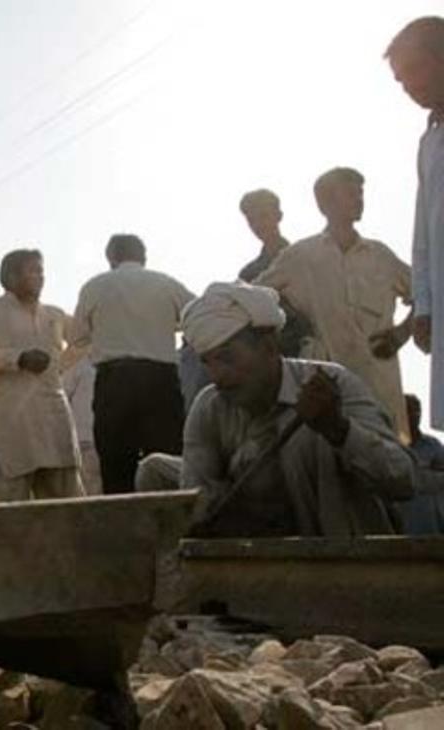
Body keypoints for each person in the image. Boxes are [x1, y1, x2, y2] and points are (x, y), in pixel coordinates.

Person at [150, 282, 413, 537]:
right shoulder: (209, 406)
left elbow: (403, 480)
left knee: (306, 440)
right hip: (254, 551)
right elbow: (197, 495)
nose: (217, 376)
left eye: (227, 358)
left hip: (334, 551)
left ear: (268, 348)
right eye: (208, 362)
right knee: (153, 471)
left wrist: (337, 429)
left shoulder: (334, 384)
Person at [255, 167, 413, 441]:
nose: (359, 200)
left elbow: (430, 294)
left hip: (381, 391)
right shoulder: (300, 257)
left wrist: (402, 332)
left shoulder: (381, 256)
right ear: (324, 203)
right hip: (328, 391)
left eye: (361, 193)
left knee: (388, 468)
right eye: (351, 193)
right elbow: (253, 295)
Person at [70, 234, 194, 493]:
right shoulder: (166, 283)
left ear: (111, 258)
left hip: (114, 383)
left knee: (116, 465)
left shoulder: (95, 286)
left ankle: (123, 528)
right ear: (143, 257)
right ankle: (171, 528)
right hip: (160, 380)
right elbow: (197, 315)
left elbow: (77, 336)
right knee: (166, 460)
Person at [0, 249, 84, 500]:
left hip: (53, 417)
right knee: (12, 504)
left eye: (41, 271)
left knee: (67, 500)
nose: (40, 277)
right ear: (10, 277)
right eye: (33, 271)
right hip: (11, 421)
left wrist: (58, 364)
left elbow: (85, 338)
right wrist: (18, 358)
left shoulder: (53, 314)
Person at [387, 18, 444, 430]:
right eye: (400, 79)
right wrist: (423, 307)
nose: (408, 86)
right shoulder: (430, 142)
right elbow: (423, 235)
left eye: (414, 70)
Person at [236, 189, 313, 357]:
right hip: (274, 352)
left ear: (278, 215)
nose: (258, 225)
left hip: (312, 345)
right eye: (252, 220)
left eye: (263, 216)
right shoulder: (249, 273)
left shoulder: (305, 258)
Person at [400, 394, 444, 534]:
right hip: (405, 526)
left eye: (418, 411)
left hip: (434, 525)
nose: (416, 415)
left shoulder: (433, 445)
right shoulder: (394, 446)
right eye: (411, 411)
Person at [61, 352, 101, 495]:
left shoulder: (81, 368)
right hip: (88, 440)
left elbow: (63, 396)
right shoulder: (83, 367)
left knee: (91, 489)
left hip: (87, 438)